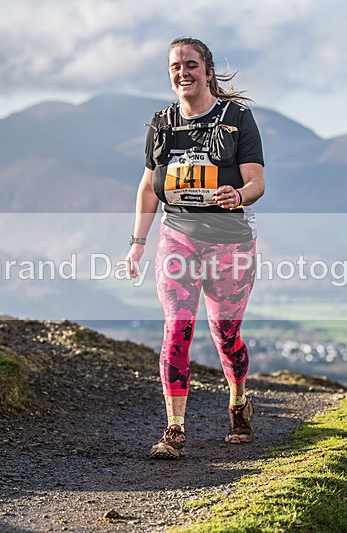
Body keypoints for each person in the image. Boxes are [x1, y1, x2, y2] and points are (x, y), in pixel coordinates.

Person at [125, 37, 265, 459]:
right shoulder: (162, 124)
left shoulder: (237, 118)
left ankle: (239, 403)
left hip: (229, 242)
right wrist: (137, 243)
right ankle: (174, 431)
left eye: (190, 64)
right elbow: (149, 187)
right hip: (177, 238)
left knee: (225, 335)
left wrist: (239, 195)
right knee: (177, 330)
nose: (182, 72)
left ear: (206, 70)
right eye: (175, 66)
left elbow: (257, 181)